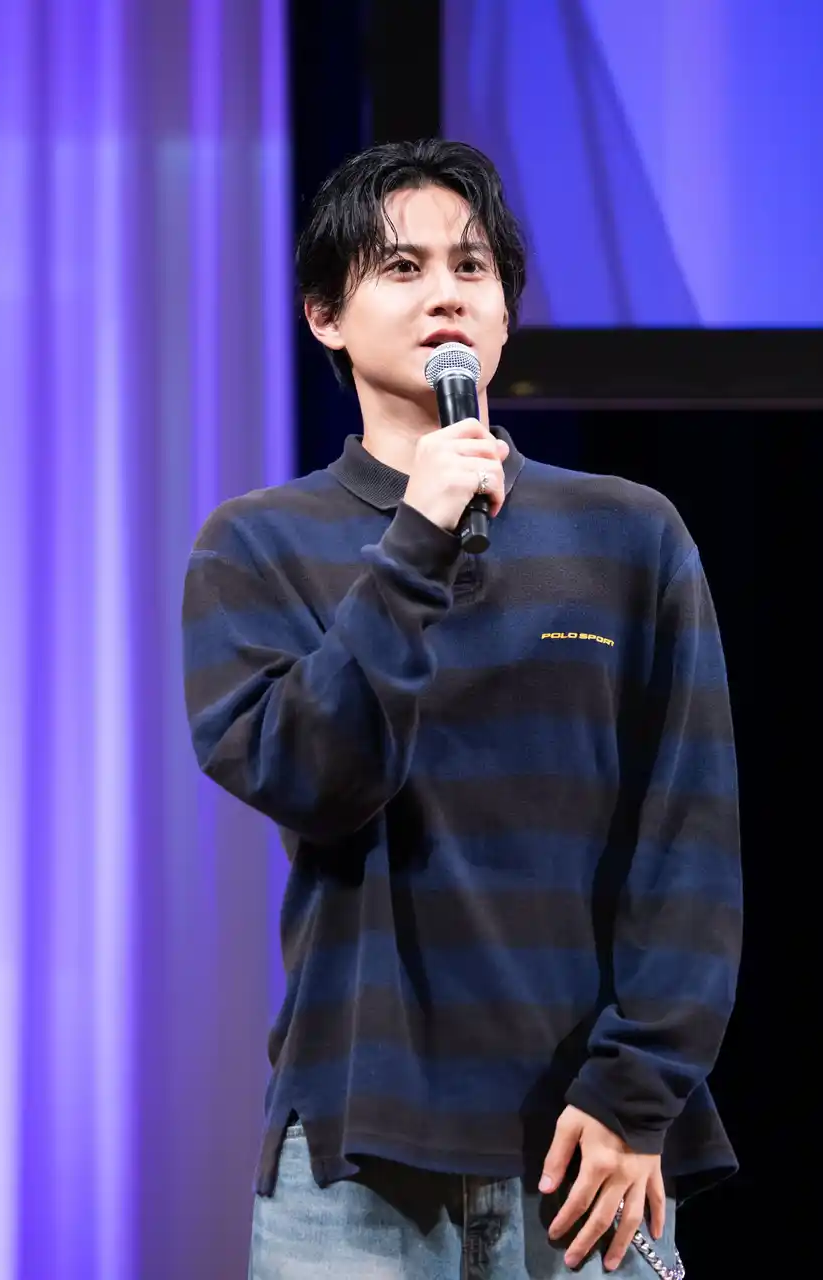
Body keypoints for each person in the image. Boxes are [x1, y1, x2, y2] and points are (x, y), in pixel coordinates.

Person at [182, 139, 741, 1279]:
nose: (445, 291)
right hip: (360, 1149)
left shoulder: (630, 533)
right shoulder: (256, 544)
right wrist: (415, 545)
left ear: (503, 313)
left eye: (471, 266)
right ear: (325, 317)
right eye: (402, 266)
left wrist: (638, 1092)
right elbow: (313, 777)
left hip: (591, 1147)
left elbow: (688, 836)